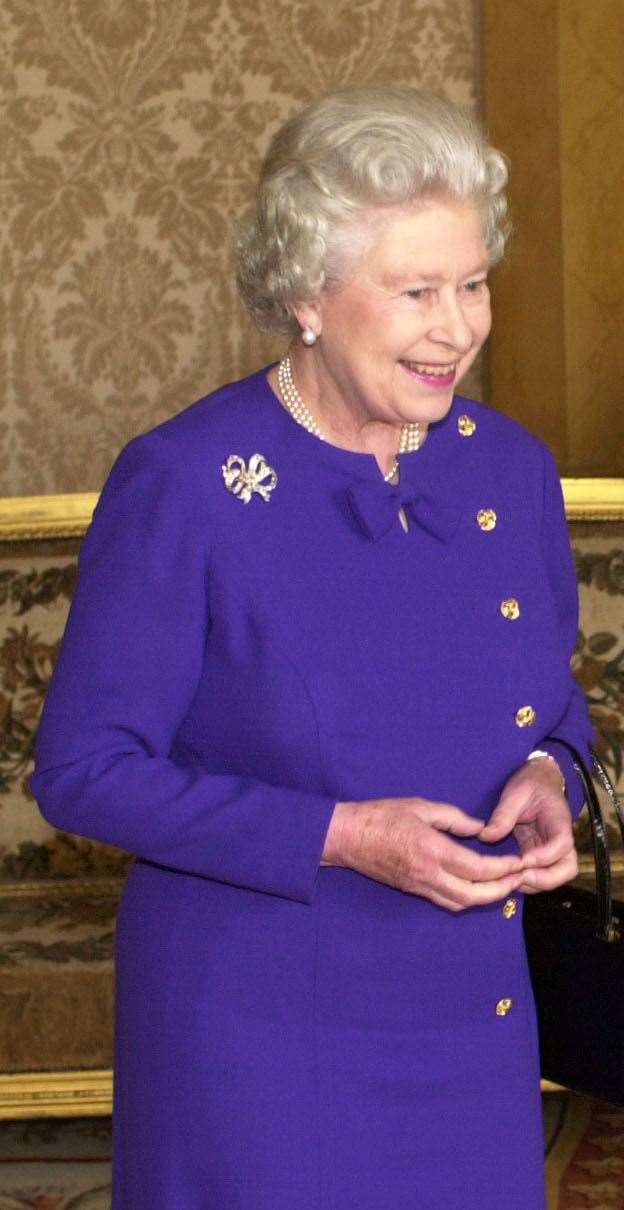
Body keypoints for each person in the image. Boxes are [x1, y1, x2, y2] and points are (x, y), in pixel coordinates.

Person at [33, 87, 593, 1208]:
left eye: (473, 283)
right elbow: (83, 773)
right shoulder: (187, 482)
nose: (459, 326)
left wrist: (551, 775)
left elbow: (553, 699)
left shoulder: (506, 466)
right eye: (415, 291)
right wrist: (341, 834)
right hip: (260, 1035)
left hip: (470, 1013)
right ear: (304, 297)